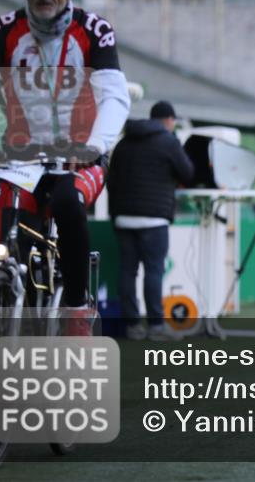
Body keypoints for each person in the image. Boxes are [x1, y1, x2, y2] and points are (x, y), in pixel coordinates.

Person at [0, 0, 131, 335]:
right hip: (21, 158)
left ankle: (77, 306)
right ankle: (9, 305)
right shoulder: (4, 31)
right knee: (8, 233)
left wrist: (94, 147)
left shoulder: (94, 31)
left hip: (80, 156)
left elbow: (115, 98)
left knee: (67, 200)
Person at [107, 101, 194, 341]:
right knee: (153, 271)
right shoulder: (169, 142)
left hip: (124, 217)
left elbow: (110, 180)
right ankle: (156, 326)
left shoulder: (124, 143)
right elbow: (187, 172)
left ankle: (132, 326)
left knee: (127, 272)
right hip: (154, 218)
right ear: (168, 120)